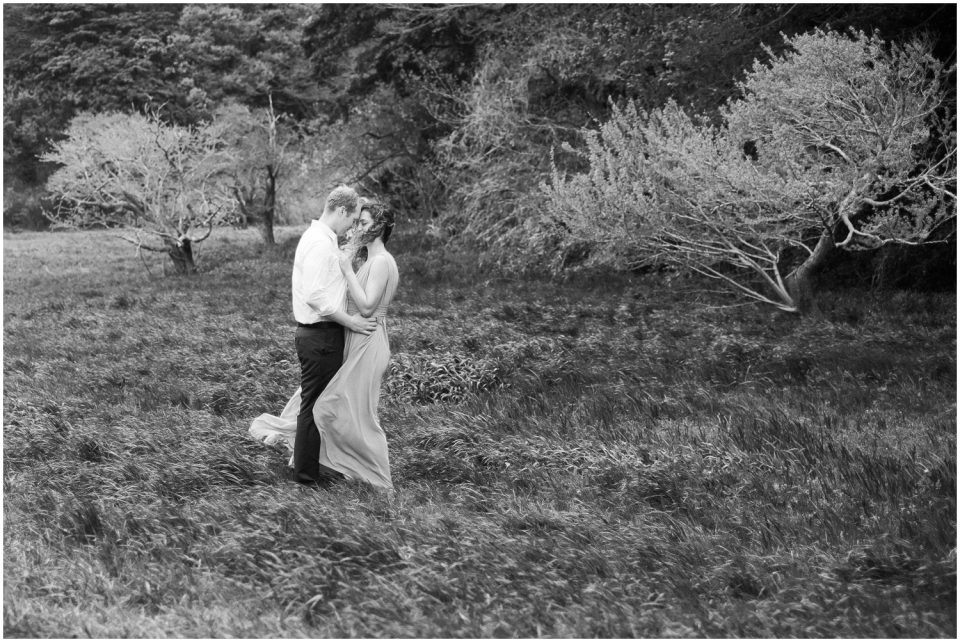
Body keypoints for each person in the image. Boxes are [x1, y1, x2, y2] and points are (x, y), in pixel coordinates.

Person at [249, 197, 400, 490]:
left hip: (368, 341)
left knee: (357, 413)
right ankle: (335, 464)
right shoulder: (369, 258)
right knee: (341, 409)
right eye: (356, 222)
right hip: (357, 339)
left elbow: (367, 307)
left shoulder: (381, 261)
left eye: (364, 223)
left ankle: (378, 479)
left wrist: (345, 270)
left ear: (380, 227)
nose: (357, 228)